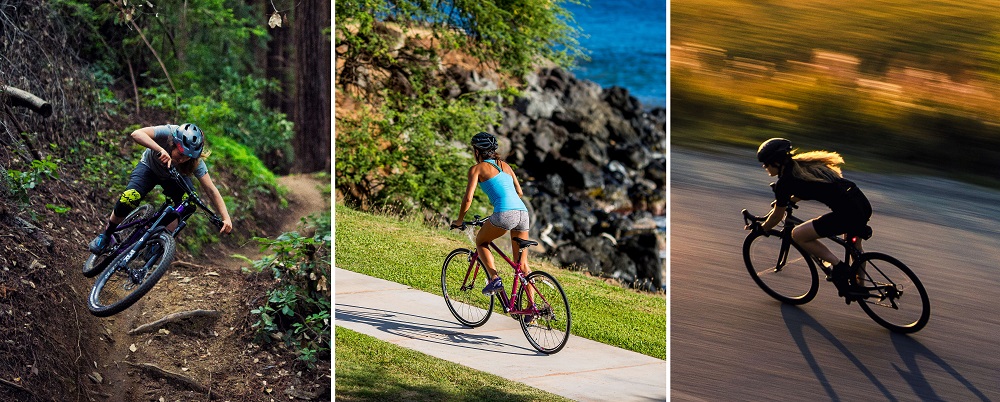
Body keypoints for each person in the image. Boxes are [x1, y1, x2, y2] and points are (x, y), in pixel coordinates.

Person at [747, 138, 872, 302]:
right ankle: (859, 287)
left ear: (776, 162)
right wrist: (791, 200)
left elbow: (777, 216)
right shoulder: (801, 166)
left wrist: (762, 229)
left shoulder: (785, 182)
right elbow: (809, 188)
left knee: (797, 235)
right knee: (855, 246)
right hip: (860, 202)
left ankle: (838, 267)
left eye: (766, 163)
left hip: (847, 212)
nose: (764, 167)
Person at [89, 123, 234, 254]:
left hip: (174, 178)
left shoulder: (196, 162)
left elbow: (211, 190)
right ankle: (106, 235)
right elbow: (136, 134)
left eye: (188, 157)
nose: (182, 159)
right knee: (129, 197)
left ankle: (160, 237)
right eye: (181, 153)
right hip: (149, 169)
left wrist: (226, 218)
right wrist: (159, 150)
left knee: (188, 204)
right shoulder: (168, 132)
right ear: (174, 143)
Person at [451, 132, 531, 296]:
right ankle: (534, 308)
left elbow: (468, 198)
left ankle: (495, 278)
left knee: (481, 242)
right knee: (522, 265)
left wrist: (459, 220)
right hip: (523, 212)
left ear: (477, 151)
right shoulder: (505, 165)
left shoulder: (477, 169)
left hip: (505, 213)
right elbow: (519, 192)